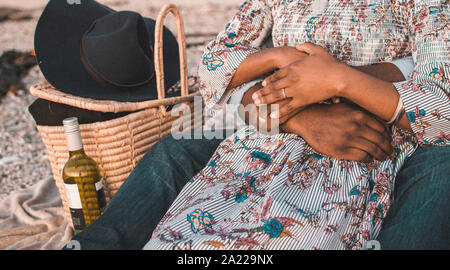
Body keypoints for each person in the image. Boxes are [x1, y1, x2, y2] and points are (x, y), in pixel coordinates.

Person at [66, 0, 449, 250]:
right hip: (270, 137)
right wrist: (284, 74)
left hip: (358, 148)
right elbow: (213, 68)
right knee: (190, 227)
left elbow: (441, 108)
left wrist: (340, 79)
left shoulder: (423, 5)